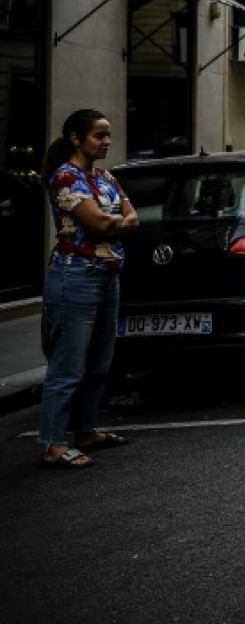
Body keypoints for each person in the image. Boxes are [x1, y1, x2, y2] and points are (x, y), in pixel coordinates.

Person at [36, 109, 139, 469]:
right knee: (68, 366)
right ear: (76, 139)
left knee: (99, 363)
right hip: (75, 278)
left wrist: (113, 223)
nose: (107, 141)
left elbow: (133, 218)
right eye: (99, 135)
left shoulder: (105, 176)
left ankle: (85, 430)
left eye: (107, 135)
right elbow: (96, 222)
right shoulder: (66, 177)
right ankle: (52, 443)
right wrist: (114, 222)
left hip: (108, 274)